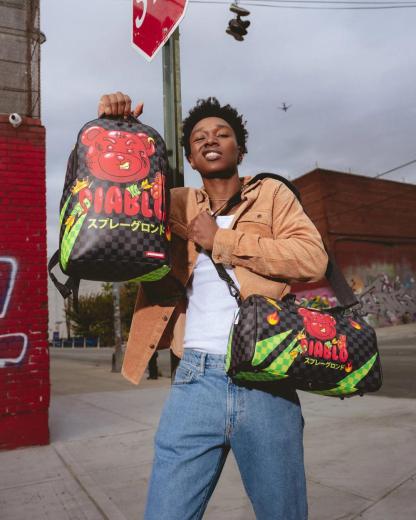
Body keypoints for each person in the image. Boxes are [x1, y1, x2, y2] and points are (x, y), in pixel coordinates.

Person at [97, 92, 328, 519]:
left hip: (267, 378)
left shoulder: (271, 194)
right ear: (189, 156)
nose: (211, 139)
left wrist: (221, 240)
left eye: (222, 133)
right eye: (200, 137)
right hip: (195, 378)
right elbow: (121, 203)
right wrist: (121, 131)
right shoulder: (175, 201)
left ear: (240, 149)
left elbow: (312, 259)